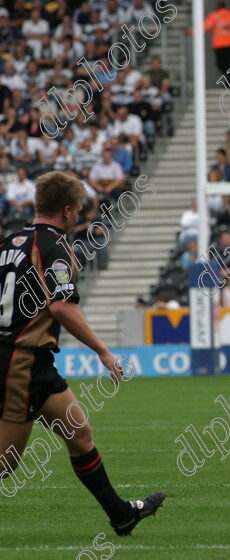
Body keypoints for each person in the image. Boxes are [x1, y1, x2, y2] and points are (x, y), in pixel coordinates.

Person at [0, 171, 164, 535]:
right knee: (5, 463)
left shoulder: (9, 242)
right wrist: (104, 352)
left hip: (33, 363)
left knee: (79, 434)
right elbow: (62, 307)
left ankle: (121, 515)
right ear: (68, 210)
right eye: (79, 211)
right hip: (21, 361)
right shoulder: (55, 246)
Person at [199, 1, 230, 77]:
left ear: (218, 7)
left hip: (219, 44)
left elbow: (205, 27)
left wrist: (191, 31)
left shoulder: (214, 16)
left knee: (221, 64)